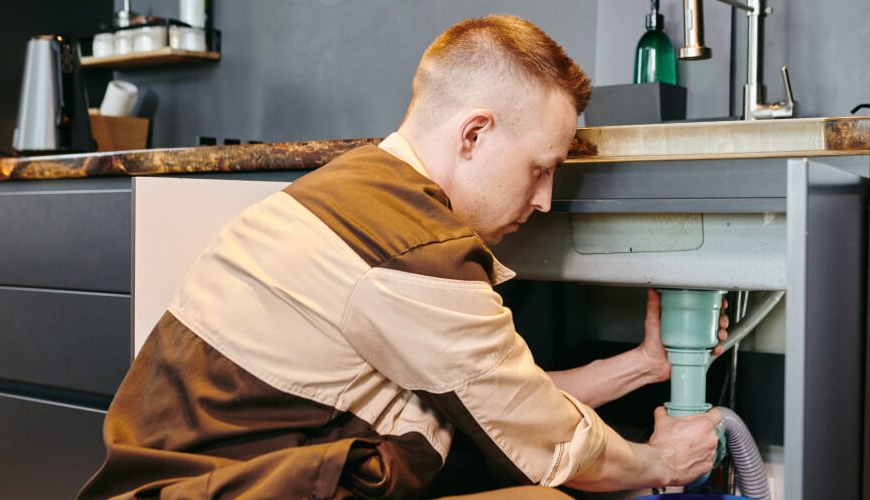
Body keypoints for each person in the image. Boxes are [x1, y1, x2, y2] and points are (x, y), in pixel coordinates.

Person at [79, 14, 727, 499]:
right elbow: (549, 442)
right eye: (539, 170)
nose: (544, 200)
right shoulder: (410, 246)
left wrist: (643, 366)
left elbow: (494, 398)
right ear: (474, 134)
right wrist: (662, 464)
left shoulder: (362, 190)